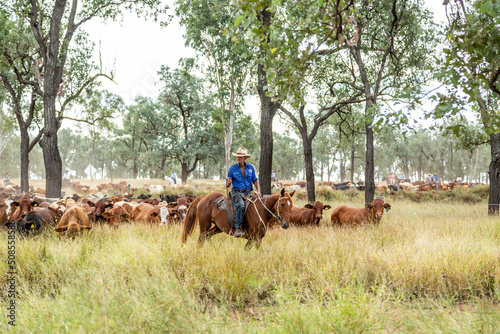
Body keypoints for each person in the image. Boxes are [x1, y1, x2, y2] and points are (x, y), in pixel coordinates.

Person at [226, 147, 261, 238]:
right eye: (237, 156)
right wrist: (228, 183)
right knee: (241, 206)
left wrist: (258, 191)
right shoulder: (232, 169)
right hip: (237, 192)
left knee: (256, 207)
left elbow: (255, 181)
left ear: (245, 158)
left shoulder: (251, 168)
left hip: (248, 193)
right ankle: (238, 228)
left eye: (240, 157)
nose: (238, 158)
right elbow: (227, 184)